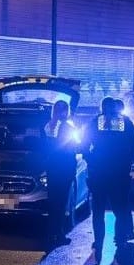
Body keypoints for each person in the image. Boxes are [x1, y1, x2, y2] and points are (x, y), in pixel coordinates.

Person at [81, 96, 134, 262]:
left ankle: (99, 243)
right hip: (119, 173)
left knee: (98, 211)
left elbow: (83, 145)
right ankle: (120, 241)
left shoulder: (95, 122)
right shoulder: (125, 123)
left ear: (102, 108)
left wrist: (91, 160)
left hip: (99, 173)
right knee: (120, 210)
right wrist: (127, 160)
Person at [43, 100, 79, 247]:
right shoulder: (67, 127)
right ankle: (58, 234)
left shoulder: (48, 125)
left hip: (52, 169)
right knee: (61, 203)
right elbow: (73, 147)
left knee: (53, 203)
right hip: (64, 168)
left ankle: (52, 233)